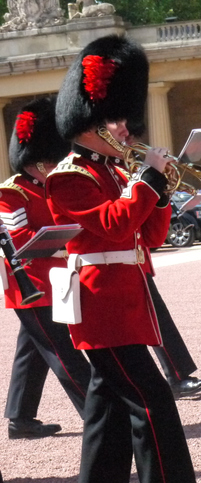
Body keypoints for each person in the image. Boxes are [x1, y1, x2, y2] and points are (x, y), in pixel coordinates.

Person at [46, 35, 195, 482]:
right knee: (151, 401)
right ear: (90, 124)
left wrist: (163, 193)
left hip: (126, 299)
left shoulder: (113, 172)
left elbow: (146, 234)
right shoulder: (69, 178)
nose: (126, 130)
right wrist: (147, 182)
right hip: (101, 305)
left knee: (107, 405)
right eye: (117, 121)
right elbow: (112, 224)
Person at [1, 96, 91, 439]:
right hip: (30, 286)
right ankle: (97, 413)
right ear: (37, 162)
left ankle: (20, 419)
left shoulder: (50, 187)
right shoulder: (12, 192)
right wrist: (64, 240)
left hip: (53, 281)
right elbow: (20, 239)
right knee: (63, 353)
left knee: (32, 353)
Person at [125, 123, 201, 400]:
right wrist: (147, 175)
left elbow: (150, 230)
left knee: (156, 319)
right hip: (112, 264)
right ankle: (173, 378)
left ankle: (176, 376)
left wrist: (161, 187)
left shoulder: (125, 169)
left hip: (135, 260)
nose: (125, 133)